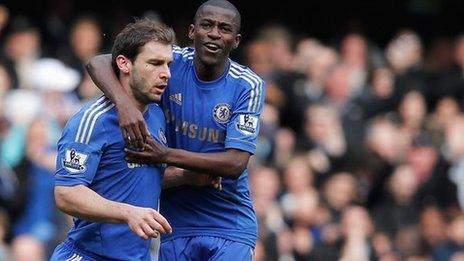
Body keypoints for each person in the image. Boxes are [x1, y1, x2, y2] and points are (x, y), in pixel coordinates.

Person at [86, 0, 265, 259]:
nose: (214, 33)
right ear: (192, 32)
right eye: (207, 25)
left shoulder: (248, 84)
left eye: (224, 29)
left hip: (228, 221)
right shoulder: (172, 63)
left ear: (236, 41)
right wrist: (124, 104)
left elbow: (235, 163)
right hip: (174, 223)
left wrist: (164, 155)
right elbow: (99, 62)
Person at [50, 19, 175, 261]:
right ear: (123, 63)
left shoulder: (157, 115)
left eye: (169, 64)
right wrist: (129, 213)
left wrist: (190, 176)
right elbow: (66, 192)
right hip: (88, 255)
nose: (166, 74)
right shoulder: (93, 120)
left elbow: (132, 176)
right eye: (155, 63)